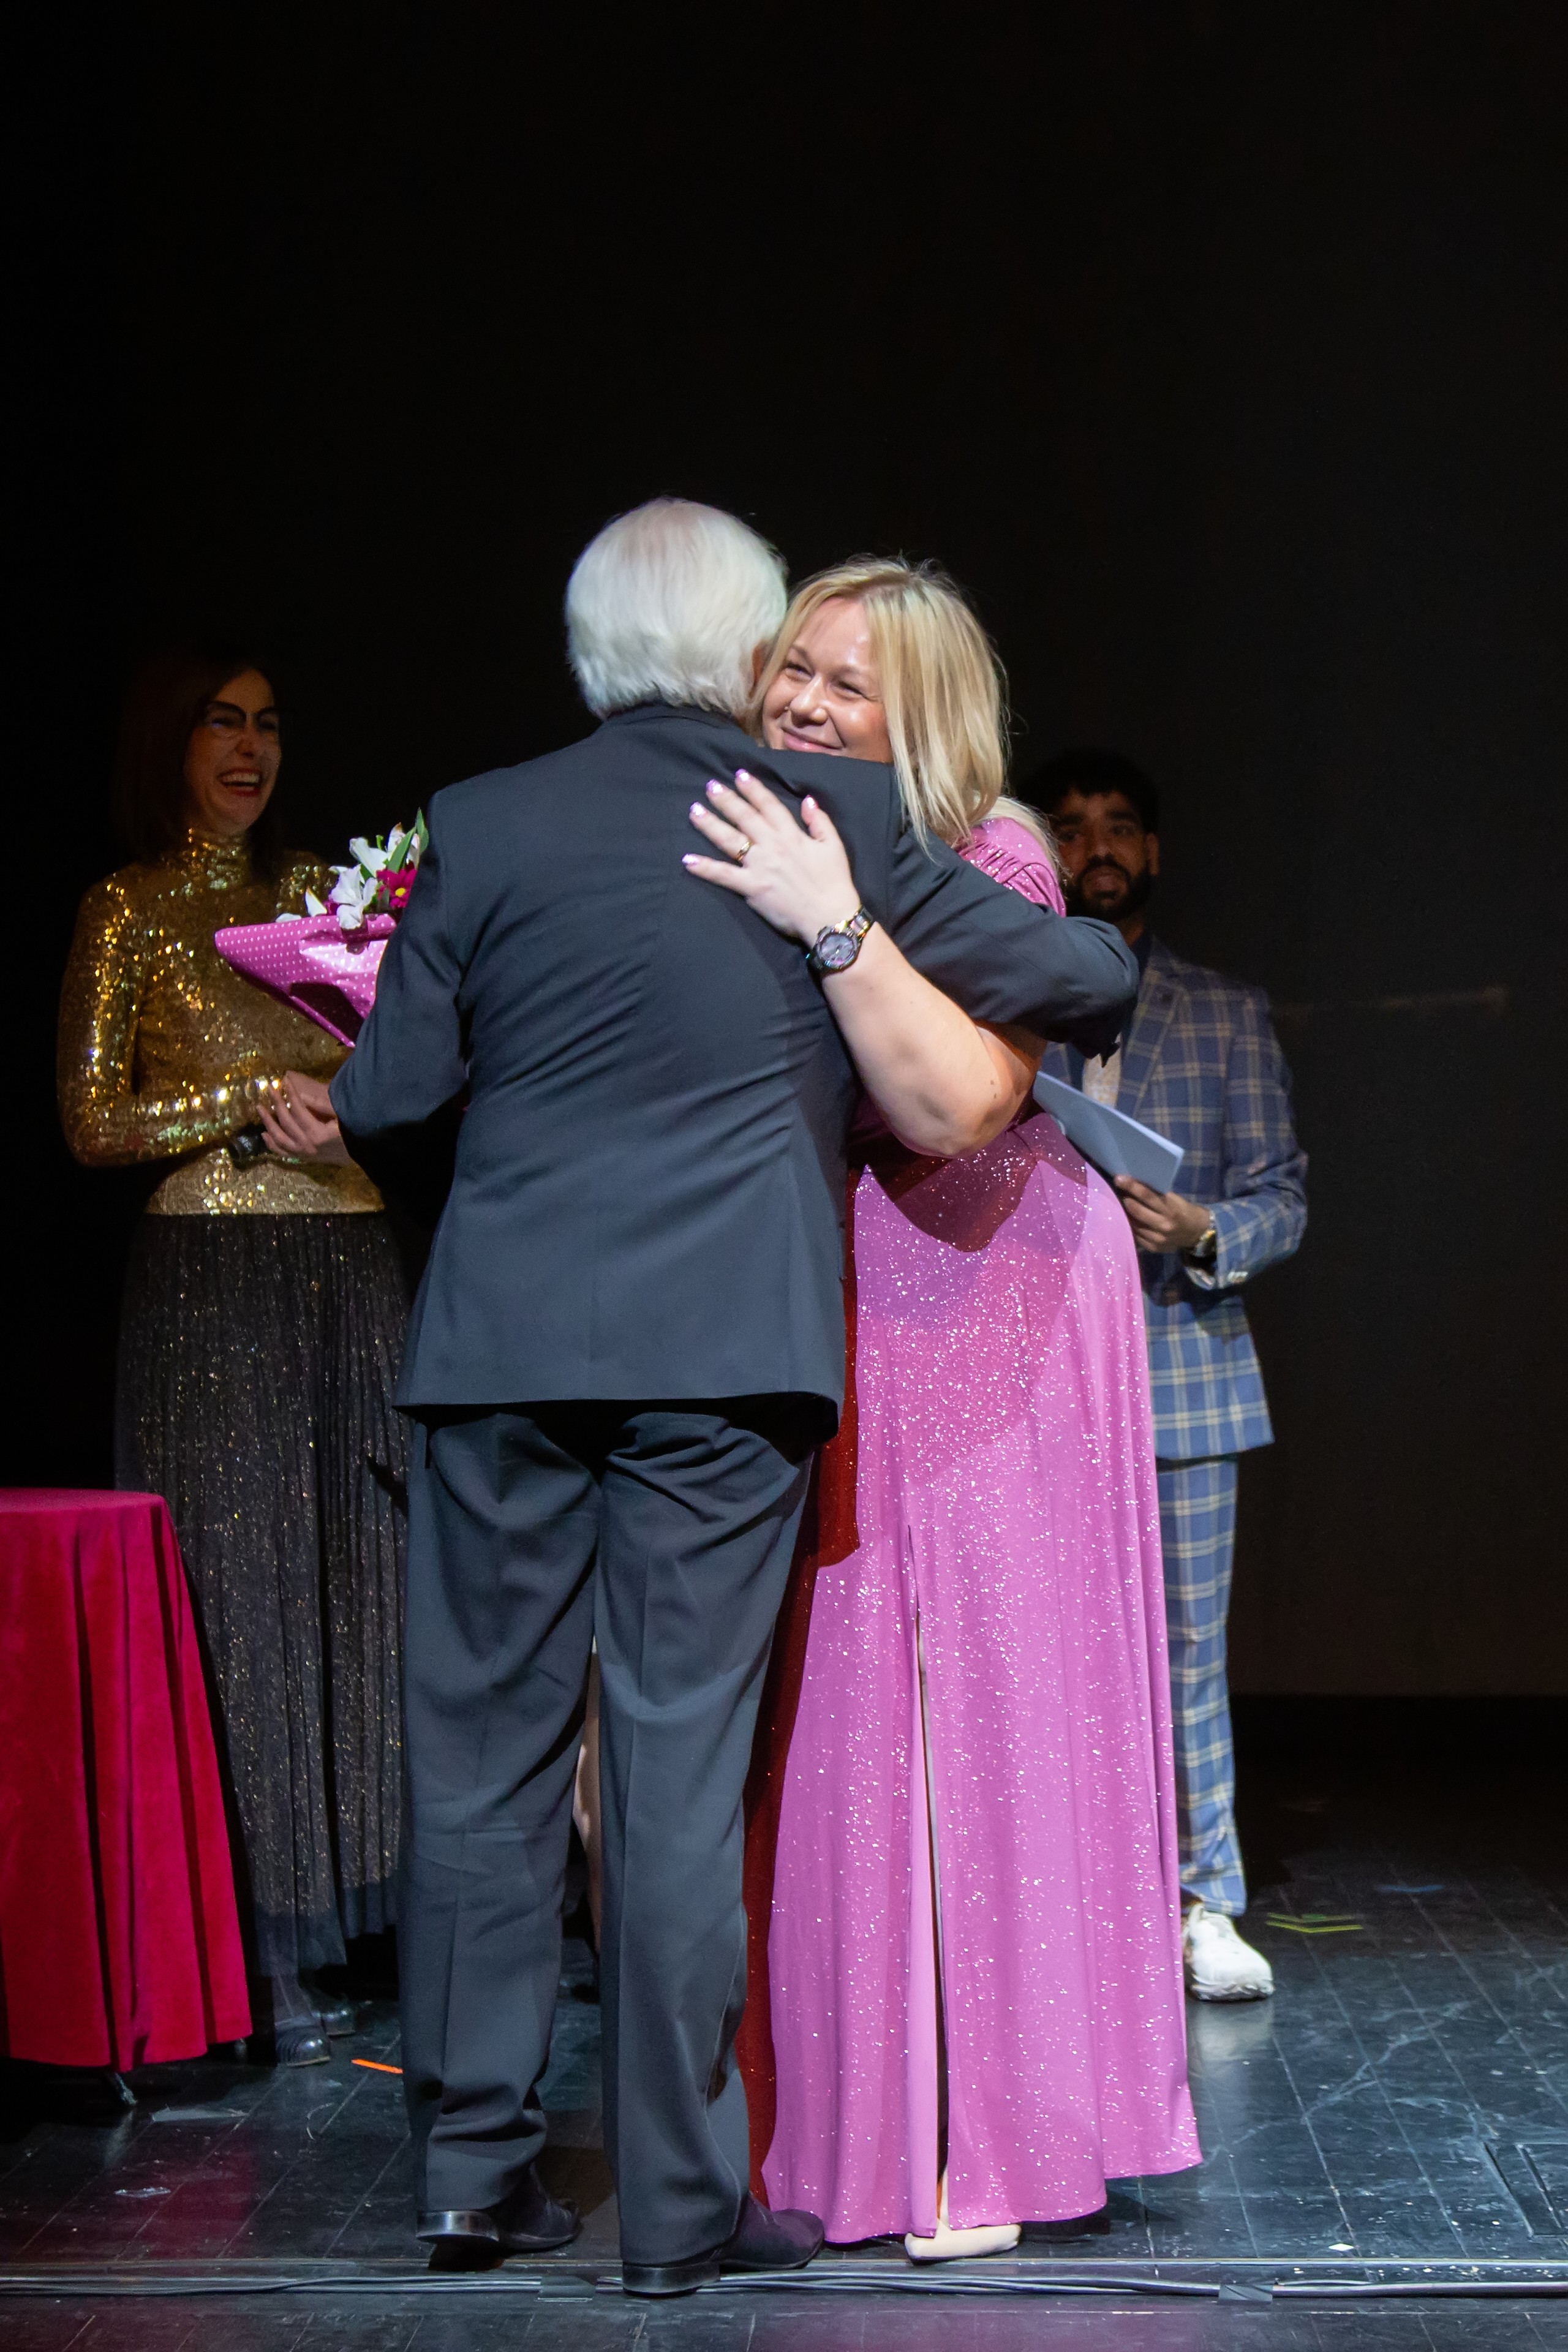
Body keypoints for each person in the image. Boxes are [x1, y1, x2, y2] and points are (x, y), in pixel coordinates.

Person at [327, 499, 1137, 2294]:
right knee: (674, 1776)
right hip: (723, 1363)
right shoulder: (815, 817)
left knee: (482, 1773)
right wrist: (844, 917)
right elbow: (1085, 977)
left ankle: (470, 2174)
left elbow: (386, 1102)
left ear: (586, 649)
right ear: (746, 647)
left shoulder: (486, 819)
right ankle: (681, 2212)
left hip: (504, 1352)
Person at [686, 564, 1198, 2258]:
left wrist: (834, 918)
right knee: (846, 1697)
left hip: (986, 1288)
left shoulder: (992, 858)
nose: (806, 702)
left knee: (977, 1696)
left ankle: (979, 2137)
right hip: (842, 1289)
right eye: (795, 669)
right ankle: (853, 2121)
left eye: (850, 684)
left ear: (925, 719)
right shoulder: (741, 827)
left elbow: (955, 1105)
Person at [57, 646, 408, 2066]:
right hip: (212, 1280)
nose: (250, 748)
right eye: (222, 722)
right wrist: (245, 1095)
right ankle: (260, 1941)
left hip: (352, 1260)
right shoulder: (131, 906)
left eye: (267, 723)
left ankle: (384, 1910)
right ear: (172, 741)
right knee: (243, 1593)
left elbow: (404, 1061)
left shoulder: (326, 892)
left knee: (368, 1570)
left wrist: (352, 1099)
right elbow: (93, 1121)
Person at [1023, 748, 1308, 2002]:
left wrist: (1202, 1231)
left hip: (1182, 1372)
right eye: (1070, 826)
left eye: (1118, 826)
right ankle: (1062, 1897)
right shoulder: (1002, 1002)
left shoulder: (1224, 1011)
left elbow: (1282, 1193)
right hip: (1031, 1382)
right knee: (1041, 1650)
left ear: (1152, 852)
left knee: (1187, 1651)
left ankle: (1203, 1901)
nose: (1096, 846)